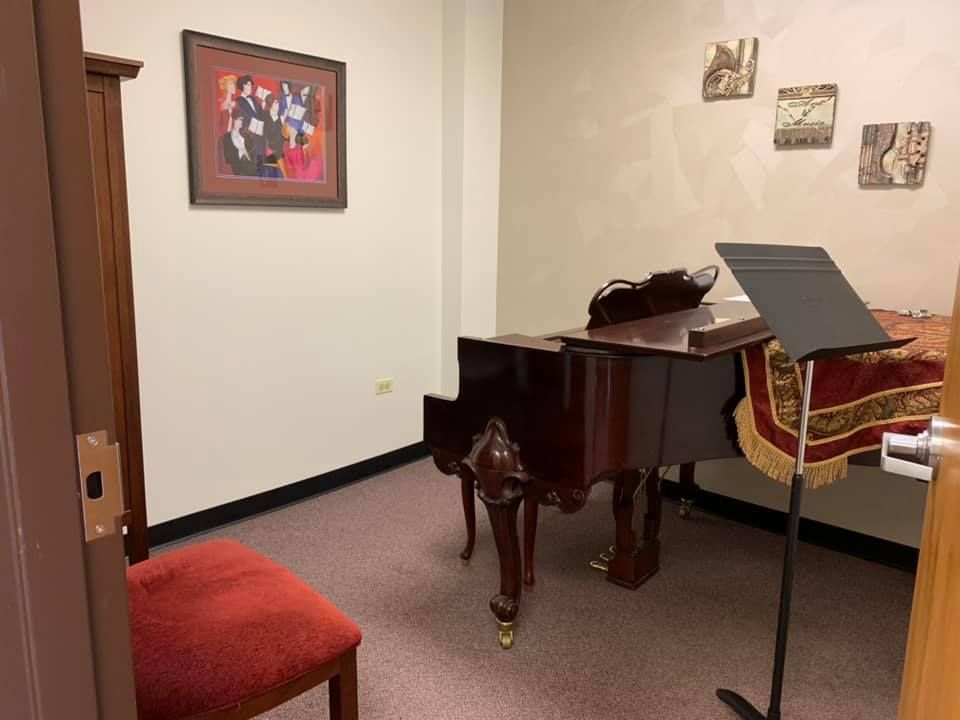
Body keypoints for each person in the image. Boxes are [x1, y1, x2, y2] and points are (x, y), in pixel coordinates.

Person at [221, 108, 257, 176]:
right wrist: (241, 154)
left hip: (251, 165)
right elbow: (227, 158)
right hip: (239, 167)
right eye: (240, 119)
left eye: (242, 120)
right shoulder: (227, 137)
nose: (242, 122)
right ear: (234, 120)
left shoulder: (246, 135)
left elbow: (253, 150)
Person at [259, 93, 285, 179]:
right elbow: (261, 134)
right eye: (275, 102)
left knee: (281, 176)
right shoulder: (264, 116)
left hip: (279, 151)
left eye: (278, 102)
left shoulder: (282, 118)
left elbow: (285, 137)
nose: (278, 105)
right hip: (267, 150)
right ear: (270, 104)